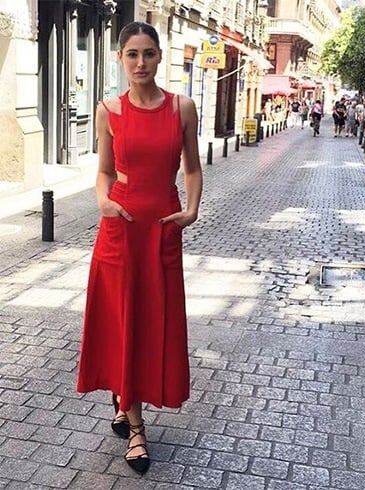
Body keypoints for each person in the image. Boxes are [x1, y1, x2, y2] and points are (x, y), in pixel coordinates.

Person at [76, 21, 203, 475]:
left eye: (148, 53)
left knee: (151, 321)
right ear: (120, 58)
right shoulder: (108, 109)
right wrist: (102, 201)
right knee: (121, 319)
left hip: (162, 227)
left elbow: (191, 167)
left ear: (160, 58)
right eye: (132, 54)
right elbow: (104, 173)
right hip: (121, 228)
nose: (140, 63)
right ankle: (135, 427)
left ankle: (123, 398)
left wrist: (191, 210)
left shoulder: (181, 108)